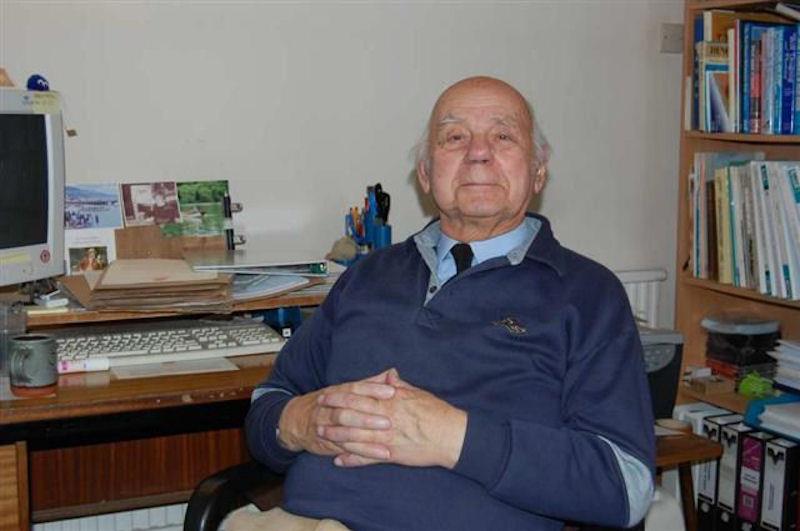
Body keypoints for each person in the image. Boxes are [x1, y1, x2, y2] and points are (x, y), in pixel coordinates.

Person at [242, 76, 655, 531]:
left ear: (539, 171)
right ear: (425, 173)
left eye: (503, 136)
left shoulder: (587, 294)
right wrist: (302, 422)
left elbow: (626, 486)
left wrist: (452, 436)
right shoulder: (365, 277)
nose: (478, 151)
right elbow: (269, 401)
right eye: (454, 137)